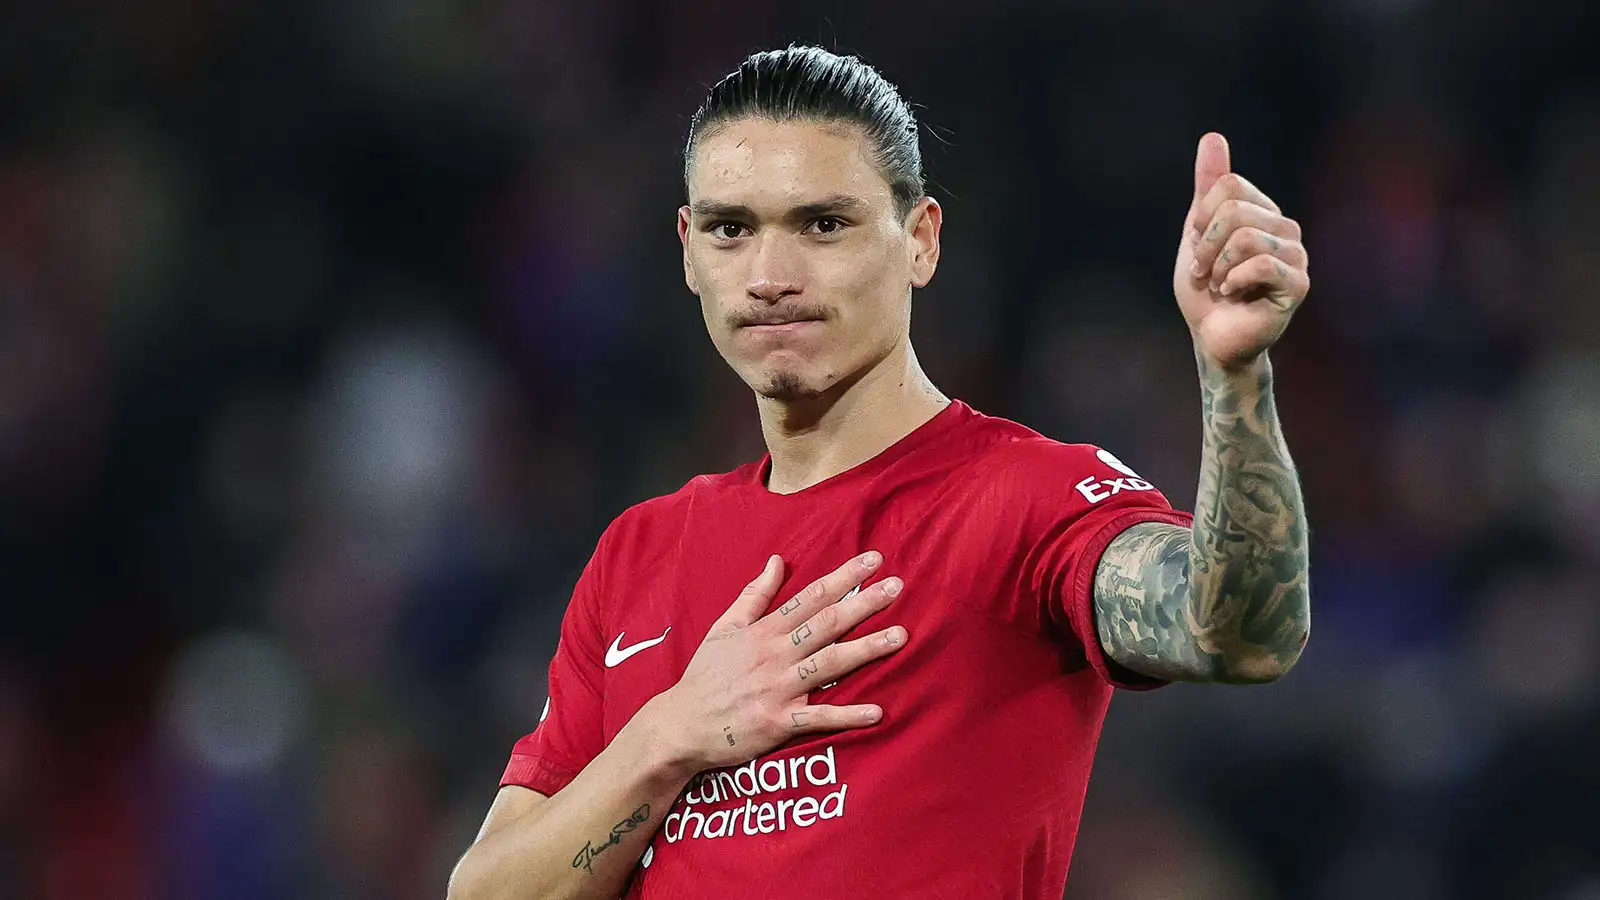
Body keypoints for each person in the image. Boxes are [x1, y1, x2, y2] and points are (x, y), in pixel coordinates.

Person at [448, 45, 1312, 900]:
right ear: (687, 251)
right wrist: (669, 734)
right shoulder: (638, 552)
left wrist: (1235, 377)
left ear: (922, 241)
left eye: (823, 224)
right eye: (731, 229)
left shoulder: (1024, 498)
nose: (770, 278)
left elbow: (1240, 634)